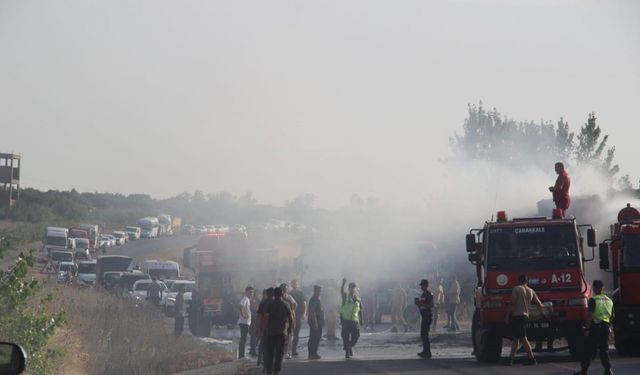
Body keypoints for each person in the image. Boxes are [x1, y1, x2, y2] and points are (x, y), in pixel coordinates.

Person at [574, 280, 614, 375]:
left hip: (595, 328)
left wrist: (587, 329)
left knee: (588, 350)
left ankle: (584, 371)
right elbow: (612, 316)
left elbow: (590, 316)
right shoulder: (609, 300)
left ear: (594, 288)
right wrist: (610, 328)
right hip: (606, 327)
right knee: (604, 350)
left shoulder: (593, 300)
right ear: (603, 288)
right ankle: (608, 370)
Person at [505, 274, 544, 366]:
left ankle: (532, 359)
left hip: (517, 316)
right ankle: (510, 359)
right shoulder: (531, 291)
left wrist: (507, 315)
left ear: (519, 281)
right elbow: (539, 304)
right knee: (516, 338)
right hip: (526, 316)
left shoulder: (516, 289)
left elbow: (513, 302)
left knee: (523, 338)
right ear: (527, 281)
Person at [262, 287, 293, 375]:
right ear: (282, 294)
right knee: (279, 353)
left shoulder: (270, 304)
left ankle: (269, 370)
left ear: (274, 294)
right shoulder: (286, 304)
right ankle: (276, 370)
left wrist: (263, 329)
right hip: (281, 332)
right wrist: (290, 328)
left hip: (270, 332)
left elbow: (266, 318)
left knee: (270, 352)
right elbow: (291, 318)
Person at [340, 278, 363, 359]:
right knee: (345, 337)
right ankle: (347, 351)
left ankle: (349, 346)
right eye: (351, 288)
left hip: (354, 321)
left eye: (354, 288)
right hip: (345, 320)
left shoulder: (358, 299)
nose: (352, 289)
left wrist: (361, 319)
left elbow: (360, 310)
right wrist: (343, 283)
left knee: (356, 335)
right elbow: (342, 291)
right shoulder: (345, 296)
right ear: (349, 289)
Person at [416, 279, 434, 358]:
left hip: (427, 315)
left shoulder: (429, 294)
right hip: (423, 315)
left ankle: (428, 352)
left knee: (425, 334)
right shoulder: (423, 295)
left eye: (423, 285)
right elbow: (421, 306)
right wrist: (418, 304)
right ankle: (425, 351)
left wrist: (421, 303)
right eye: (421, 285)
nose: (421, 287)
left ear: (426, 285)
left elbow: (430, 305)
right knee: (423, 334)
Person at [256, 288, 274, 367]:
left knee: (263, 343)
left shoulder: (263, 302)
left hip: (264, 326)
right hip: (274, 327)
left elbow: (259, 316)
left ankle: (260, 359)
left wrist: (258, 327)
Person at [279, 283, 298, 359]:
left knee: (288, 337)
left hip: (287, 320)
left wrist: (292, 311)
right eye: (284, 289)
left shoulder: (289, 297)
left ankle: (286, 352)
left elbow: (295, 304)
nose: (285, 290)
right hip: (279, 320)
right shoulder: (278, 297)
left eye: (286, 289)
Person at [289, 280, 307, 357]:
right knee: (289, 333)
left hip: (298, 315)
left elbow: (304, 304)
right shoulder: (289, 294)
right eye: (293, 284)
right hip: (290, 315)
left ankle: (293, 350)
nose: (295, 285)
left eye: (296, 284)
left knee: (296, 334)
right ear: (291, 285)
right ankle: (288, 350)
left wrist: (304, 314)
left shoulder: (300, 293)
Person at [307, 285, 324, 360]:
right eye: (319, 291)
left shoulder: (317, 299)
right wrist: (315, 322)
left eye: (320, 291)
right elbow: (312, 311)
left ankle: (314, 353)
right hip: (315, 322)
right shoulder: (314, 299)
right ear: (315, 291)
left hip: (318, 321)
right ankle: (311, 354)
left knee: (317, 338)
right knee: (313, 338)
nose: (320, 293)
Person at [237, 286, 254, 359]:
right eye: (250, 292)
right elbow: (240, 306)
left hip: (246, 322)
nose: (251, 294)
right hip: (244, 323)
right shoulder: (245, 299)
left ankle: (241, 355)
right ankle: (241, 355)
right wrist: (243, 315)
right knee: (243, 339)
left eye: (252, 292)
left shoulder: (248, 300)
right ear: (246, 292)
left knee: (244, 338)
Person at [249, 288, 262, 357]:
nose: (259, 295)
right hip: (253, 321)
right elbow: (251, 310)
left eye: (259, 294)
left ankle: (253, 349)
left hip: (258, 321)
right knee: (253, 336)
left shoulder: (259, 301)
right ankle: (252, 350)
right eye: (258, 294)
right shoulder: (252, 301)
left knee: (257, 336)